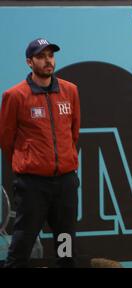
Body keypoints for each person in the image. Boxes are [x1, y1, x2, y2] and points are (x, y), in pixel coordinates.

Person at [0, 38, 81, 268]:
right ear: (29, 62)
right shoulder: (15, 96)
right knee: (21, 247)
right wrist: (29, 163)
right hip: (33, 187)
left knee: (65, 246)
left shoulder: (70, 91)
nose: (48, 61)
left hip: (65, 184)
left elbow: (73, 132)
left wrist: (63, 162)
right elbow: (6, 139)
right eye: (41, 56)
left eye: (50, 56)